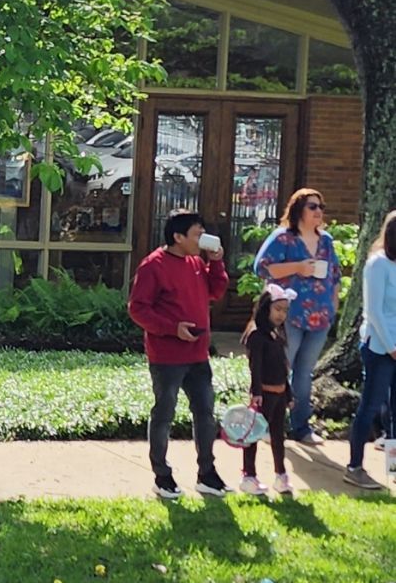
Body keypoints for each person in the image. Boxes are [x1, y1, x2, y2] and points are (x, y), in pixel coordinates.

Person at [128, 210, 230, 500]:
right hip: (167, 356)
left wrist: (217, 261)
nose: (202, 239)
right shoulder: (153, 266)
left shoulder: (197, 262)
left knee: (205, 413)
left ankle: (207, 474)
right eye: (197, 234)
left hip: (198, 353)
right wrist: (172, 328)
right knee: (164, 413)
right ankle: (162, 475)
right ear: (178, 237)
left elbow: (216, 291)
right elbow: (138, 309)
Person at [252, 188, 342, 444]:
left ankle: (301, 427)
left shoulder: (325, 240)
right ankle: (268, 425)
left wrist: (333, 304)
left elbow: (334, 274)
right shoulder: (283, 238)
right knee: (279, 370)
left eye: (321, 207)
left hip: (320, 318)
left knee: (304, 373)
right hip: (288, 317)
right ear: (298, 209)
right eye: (312, 206)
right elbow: (263, 267)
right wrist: (298, 268)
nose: (318, 212)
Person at [344, 208, 396, 491]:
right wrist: (391, 348)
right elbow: (374, 311)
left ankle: (394, 468)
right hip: (379, 347)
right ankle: (354, 466)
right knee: (371, 406)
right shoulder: (378, 265)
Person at [241, 284, 296, 496]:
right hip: (264, 394)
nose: (282, 315)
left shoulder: (277, 335)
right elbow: (256, 367)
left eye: (285, 310)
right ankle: (249, 476)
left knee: (277, 436)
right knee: (253, 436)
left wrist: (288, 393)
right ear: (266, 308)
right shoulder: (256, 335)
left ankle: (281, 475)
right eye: (278, 309)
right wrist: (256, 393)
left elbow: (283, 367)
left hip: (279, 394)